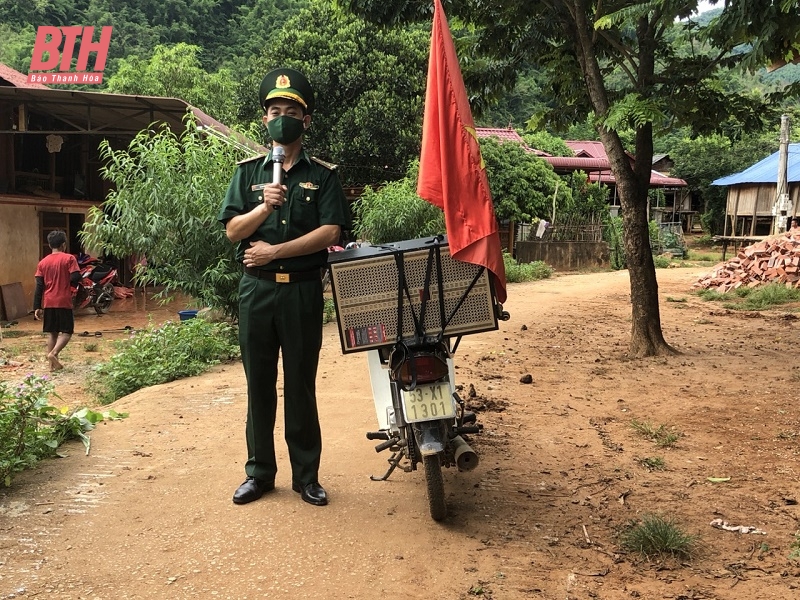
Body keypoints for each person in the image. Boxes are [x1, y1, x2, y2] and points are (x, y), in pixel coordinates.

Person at [218, 68, 351, 507]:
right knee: (258, 382)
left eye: (291, 111)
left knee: (300, 383)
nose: (282, 118)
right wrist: (263, 206)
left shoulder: (324, 176)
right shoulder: (248, 173)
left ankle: (306, 476)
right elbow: (233, 231)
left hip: (300, 291)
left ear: (305, 120)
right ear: (264, 119)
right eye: (274, 111)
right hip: (256, 292)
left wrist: (276, 252)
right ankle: (259, 473)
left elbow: (332, 232)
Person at [33, 230, 81, 371]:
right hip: (64, 301)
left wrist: (37, 306)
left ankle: (51, 366)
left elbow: (39, 286)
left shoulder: (42, 263)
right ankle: (53, 354)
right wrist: (68, 285)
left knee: (52, 333)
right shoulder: (69, 259)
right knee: (67, 332)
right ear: (64, 244)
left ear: (50, 245)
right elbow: (76, 277)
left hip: (48, 302)